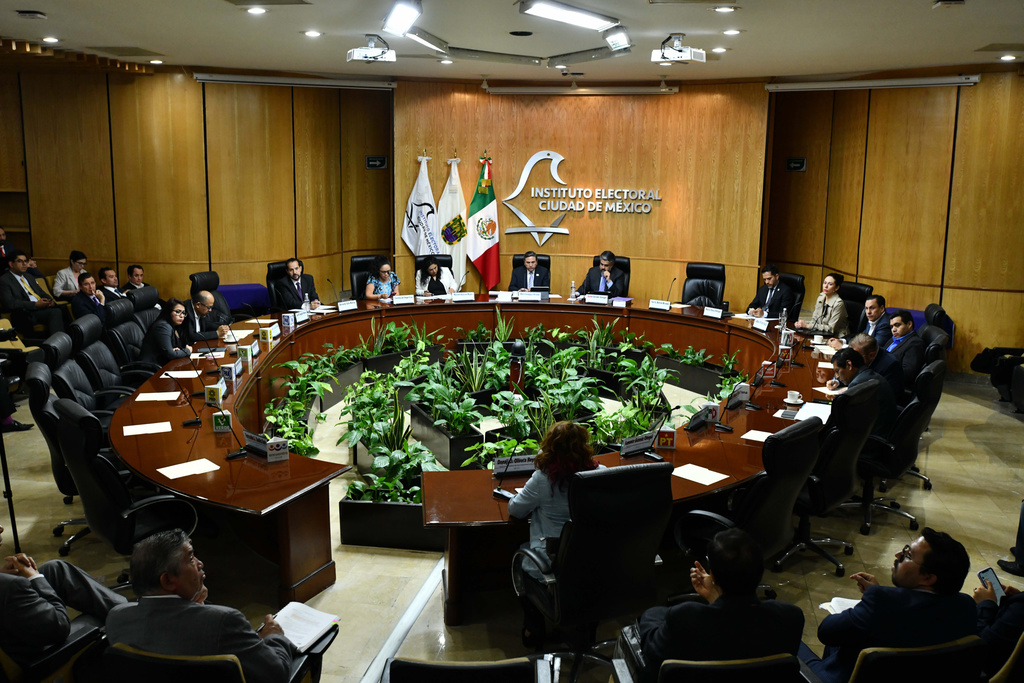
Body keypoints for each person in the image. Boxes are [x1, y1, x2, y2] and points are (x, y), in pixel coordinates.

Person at [105, 529, 298, 683]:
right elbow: (277, 674)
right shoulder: (223, 622)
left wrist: (199, 606)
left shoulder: (116, 618)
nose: (200, 563)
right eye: (190, 558)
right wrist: (273, 637)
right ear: (168, 581)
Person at [799, 527, 975, 683]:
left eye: (908, 556)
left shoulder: (880, 602)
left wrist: (876, 599)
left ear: (928, 578)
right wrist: (882, 596)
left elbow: (826, 633)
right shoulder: (967, 607)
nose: (898, 554)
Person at [637, 528, 803, 683]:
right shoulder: (790, 618)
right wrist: (715, 598)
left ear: (713, 576)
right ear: (760, 572)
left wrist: (716, 599)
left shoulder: (684, 618)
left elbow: (652, 649)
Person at [508, 421, 599, 648]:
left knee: (520, 557)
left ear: (549, 448)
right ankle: (585, 631)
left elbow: (515, 509)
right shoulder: (600, 475)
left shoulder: (543, 479)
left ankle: (534, 629)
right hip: (593, 562)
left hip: (555, 563)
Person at [0, 523, 126, 667]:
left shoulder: (7, 584)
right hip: (35, 659)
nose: (1, 528)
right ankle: (134, 625)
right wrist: (34, 578)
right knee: (105, 615)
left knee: (55, 569)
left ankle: (131, 614)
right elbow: (59, 626)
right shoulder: (10, 586)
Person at [825, 347, 897, 436]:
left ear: (849, 365)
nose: (836, 376)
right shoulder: (869, 375)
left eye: (837, 371)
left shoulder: (858, 385)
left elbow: (843, 421)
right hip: (884, 431)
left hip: (871, 438)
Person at [974, 567, 1024, 677]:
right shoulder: (1019, 605)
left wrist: (986, 604)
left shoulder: (1020, 608)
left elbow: (981, 646)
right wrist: (1014, 598)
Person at [0, 250, 63, 337]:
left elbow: (41, 292)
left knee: (63, 309)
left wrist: (50, 301)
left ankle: (70, 340)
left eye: (25, 261)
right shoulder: (5, 280)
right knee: (55, 312)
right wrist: (35, 304)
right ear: (11, 264)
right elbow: (10, 303)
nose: (24, 264)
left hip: (40, 308)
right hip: (25, 312)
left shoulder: (29, 276)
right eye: (20, 261)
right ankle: (58, 342)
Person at [848, 333, 904, 400]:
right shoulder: (861, 354)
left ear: (871, 355)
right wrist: (838, 382)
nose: (853, 359)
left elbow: (886, 395)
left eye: (857, 356)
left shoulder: (890, 365)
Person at [140, 298, 192, 364]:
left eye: (183, 313)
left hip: (163, 363)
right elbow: (170, 355)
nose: (182, 316)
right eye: (177, 312)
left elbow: (168, 351)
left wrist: (174, 350)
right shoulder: (163, 327)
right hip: (152, 366)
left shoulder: (174, 326)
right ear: (169, 312)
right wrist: (187, 351)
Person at [795, 273, 848, 338]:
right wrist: (802, 325)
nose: (826, 286)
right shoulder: (821, 297)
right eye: (825, 283)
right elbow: (814, 320)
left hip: (836, 337)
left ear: (837, 288)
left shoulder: (838, 303)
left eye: (830, 284)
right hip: (820, 334)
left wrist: (807, 326)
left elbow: (831, 329)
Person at [886, 309, 925, 389]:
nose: (893, 329)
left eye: (897, 325)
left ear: (909, 324)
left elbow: (907, 373)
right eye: (892, 326)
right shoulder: (895, 338)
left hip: (890, 384)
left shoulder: (915, 344)